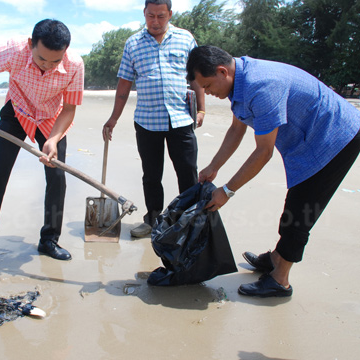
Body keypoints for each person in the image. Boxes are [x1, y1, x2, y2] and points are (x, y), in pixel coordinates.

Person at [186, 45, 360, 297]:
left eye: (208, 86)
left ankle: (280, 280)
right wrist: (214, 167)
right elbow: (237, 129)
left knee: (300, 210)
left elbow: (263, 152)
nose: (208, 93)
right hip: (307, 137)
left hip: (334, 137)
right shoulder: (238, 81)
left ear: (222, 71)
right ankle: (277, 257)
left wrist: (227, 191)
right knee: (296, 207)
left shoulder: (261, 86)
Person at [0, 19, 84, 263]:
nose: (47, 66)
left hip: (50, 118)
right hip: (17, 110)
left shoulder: (75, 64)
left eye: (55, 61)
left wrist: (53, 139)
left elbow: (69, 108)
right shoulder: (14, 51)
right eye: (42, 59)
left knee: (56, 177)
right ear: (30, 44)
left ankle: (49, 240)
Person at [102, 0, 206, 238]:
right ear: (144, 14)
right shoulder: (133, 43)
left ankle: (188, 220)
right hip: (147, 121)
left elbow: (196, 77)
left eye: (161, 16)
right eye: (151, 16)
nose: (155, 22)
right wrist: (113, 118)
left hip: (181, 119)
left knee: (188, 172)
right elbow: (124, 84)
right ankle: (152, 220)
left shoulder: (185, 38)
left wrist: (201, 110)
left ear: (170, 14)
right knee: (151, 174)